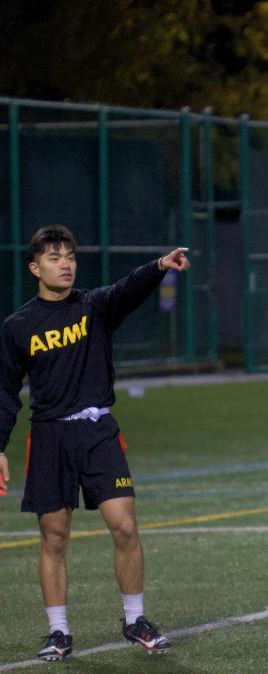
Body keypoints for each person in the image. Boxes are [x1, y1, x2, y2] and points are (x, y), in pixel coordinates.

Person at [0, 225, 190, 660]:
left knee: (124, 525)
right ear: (35, 267)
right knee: (54, 536)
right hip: (49, 436)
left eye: (69, 255)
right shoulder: (18, 326)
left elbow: (128, 288)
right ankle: (59, 631)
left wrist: (159, 265)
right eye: (53, 257)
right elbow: (5, 392)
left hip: (98, 431)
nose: (65, 263)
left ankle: (134, 619)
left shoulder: (93, 307)